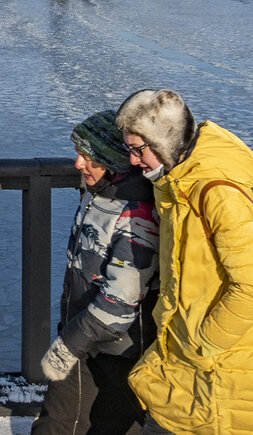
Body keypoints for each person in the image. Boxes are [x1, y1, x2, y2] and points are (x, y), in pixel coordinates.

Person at [115, 89, 253, 434]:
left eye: (138, 149)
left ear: (165, 143)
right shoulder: (177, 186)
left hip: (229, 374)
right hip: (198, 369)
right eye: (129, 149)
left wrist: (202, 343)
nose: (132, 161)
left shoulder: (218, 195)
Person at [32, 110, 159, 435]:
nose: (78, 164)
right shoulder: (101, 196)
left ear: (114, 161)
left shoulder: (136, 213)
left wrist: (67, 346)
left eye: (89, 157)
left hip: (113, 353)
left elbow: (120, 301)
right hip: (85, 341)